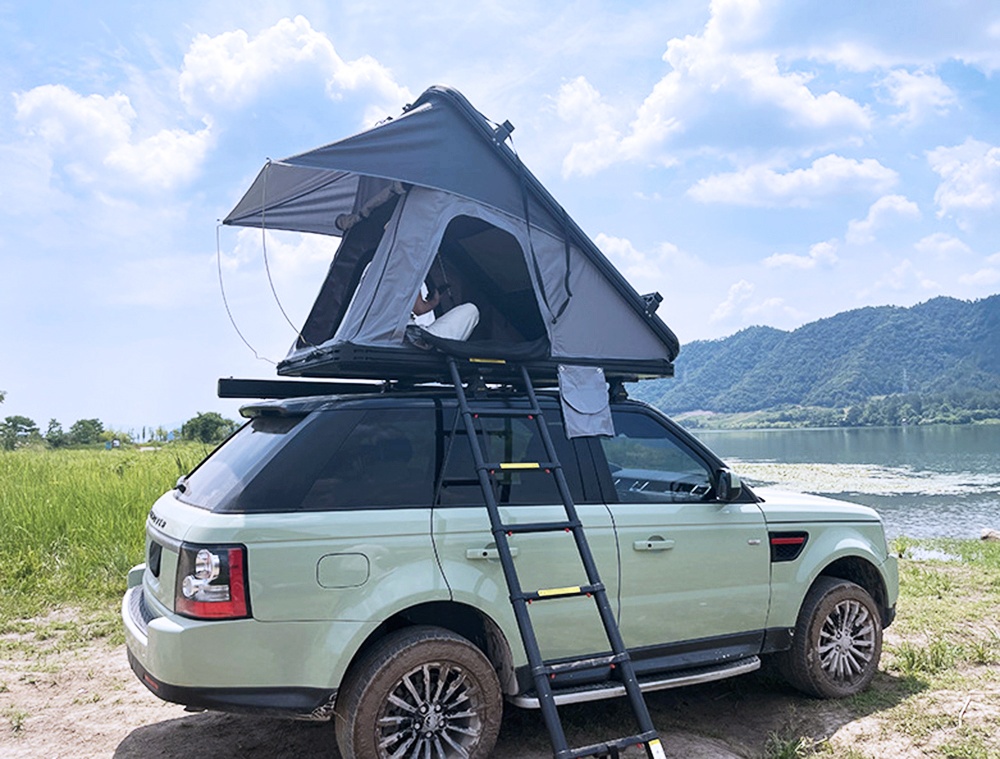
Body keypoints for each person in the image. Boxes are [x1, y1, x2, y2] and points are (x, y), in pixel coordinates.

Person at [411, 286, 479, 341]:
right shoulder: (409, 273)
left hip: (411, 334)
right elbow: (419, 309)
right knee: (471, 310)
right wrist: (434, 301)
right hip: (414, 338)